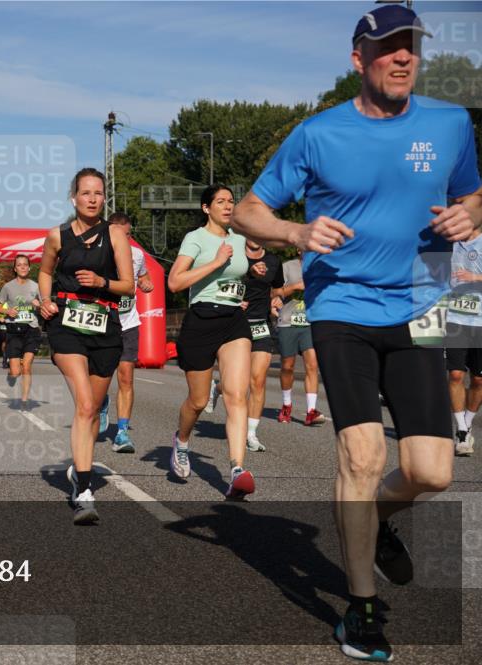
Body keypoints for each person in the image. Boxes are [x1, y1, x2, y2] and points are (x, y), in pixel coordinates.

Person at [232, 6, 482, 660]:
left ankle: (374, 519)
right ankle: (361, 608)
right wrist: (294, 232)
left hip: (424, 300)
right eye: (387, 48)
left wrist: (468, 216)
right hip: (340, 300)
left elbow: (474, 196)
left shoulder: (452, 124)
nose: (402, 58)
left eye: (411, 48)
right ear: (357, 59)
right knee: (364, 454)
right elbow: (249, 210)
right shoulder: (318, 134)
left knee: (431, 471)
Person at [38, 167, 134, 525]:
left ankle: (79, 468)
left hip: (105, 327)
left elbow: (128, 286)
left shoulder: (115, 235)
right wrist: (44, 300)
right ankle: (84, 491)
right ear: (73, 197)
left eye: (98, 193)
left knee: (93, 409)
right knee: (85, 403)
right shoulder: (57, 236)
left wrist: (101, 281)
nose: (92, 199)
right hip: (66, 326)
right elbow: (45, 271)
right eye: (86, 193)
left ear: (104, 198)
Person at [168, 185, 255, 500]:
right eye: (221, 201)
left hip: (233, 321)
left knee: (236, 395)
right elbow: (175, 282)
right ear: (206, 208)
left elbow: (250, 267)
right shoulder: (196, 239)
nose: (228, 206)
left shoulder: (240, 239)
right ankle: (182, 441)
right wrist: (216, 262)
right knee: (199, 401)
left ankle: (236, 470)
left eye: (231, 201)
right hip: (201, 320)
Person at [96, 212, 154, 452]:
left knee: (126, 377)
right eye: (121, 234)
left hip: (128, 323)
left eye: (129, 235)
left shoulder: (137, 255)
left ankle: (121, 432)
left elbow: (144, 276)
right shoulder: (98, 254)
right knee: (99, 378)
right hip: (102, 322)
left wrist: (146, 282)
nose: (126, 239)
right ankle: (102, 402)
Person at [274, 253, 327, 426]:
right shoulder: (287, 266)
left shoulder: (321, 266)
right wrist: (296, 286)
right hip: (288, 322)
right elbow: (275, 292)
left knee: (312, 365)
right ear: (298, 249)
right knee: (287, 367)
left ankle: (311, 411)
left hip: (310, 322)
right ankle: (286, 405)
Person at [243, 239, 285, 451]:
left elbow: (278, 289)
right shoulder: (235, 257)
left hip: (261, 325)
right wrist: (248, 272)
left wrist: (277, 300)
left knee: (257, 380)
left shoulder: (273, 261)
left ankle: (251, 434)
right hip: (236, 323)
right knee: (239, 383)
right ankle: (218, 388)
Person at [446, 225, 482, 456]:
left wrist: (475, 277)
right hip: (455, 317)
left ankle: (468, 422)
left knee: (479, 380)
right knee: (456, 374)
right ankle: (460, 430)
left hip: (480, 321)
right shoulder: (449, 243)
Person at [0, 254, 43, 409]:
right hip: (14, 330)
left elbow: (44, 306)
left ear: (29, 267)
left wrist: (39, 305)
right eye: (19, 265)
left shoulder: (36, 286)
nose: (23, 267)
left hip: (31, 329)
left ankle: (24, 401)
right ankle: (11, 375)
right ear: (15, 269)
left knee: (27, 366)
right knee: (16, 371)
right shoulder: (8, 287)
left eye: (25, 265)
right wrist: (8, 311)